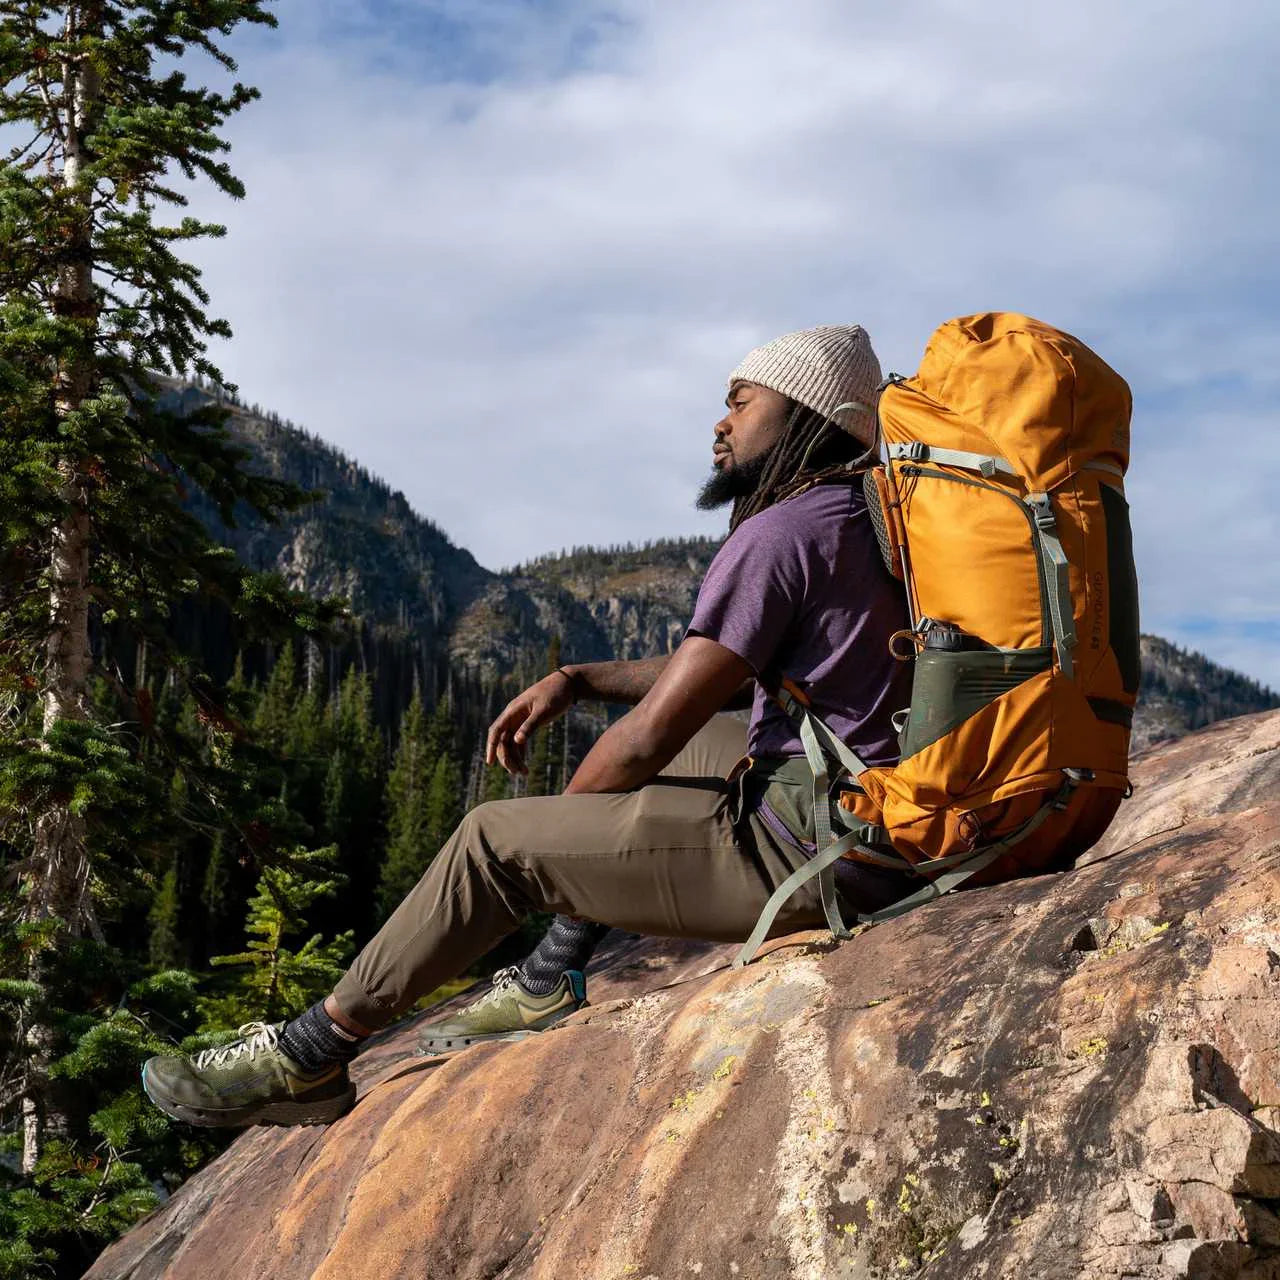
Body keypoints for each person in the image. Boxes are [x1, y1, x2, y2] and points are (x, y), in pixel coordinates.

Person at [141, 324, 916, 1129]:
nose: (719, 424)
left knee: (494, 840)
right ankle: (553, 971)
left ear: (805, 412)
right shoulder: (863, 515)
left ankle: (309, 1057)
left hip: (825, 852)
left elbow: (648, 738)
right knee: (698, 740)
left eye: (740, 402)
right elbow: (716, 667)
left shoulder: (779, 535)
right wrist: (579, 679)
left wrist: (566, 833)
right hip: (889, 807)